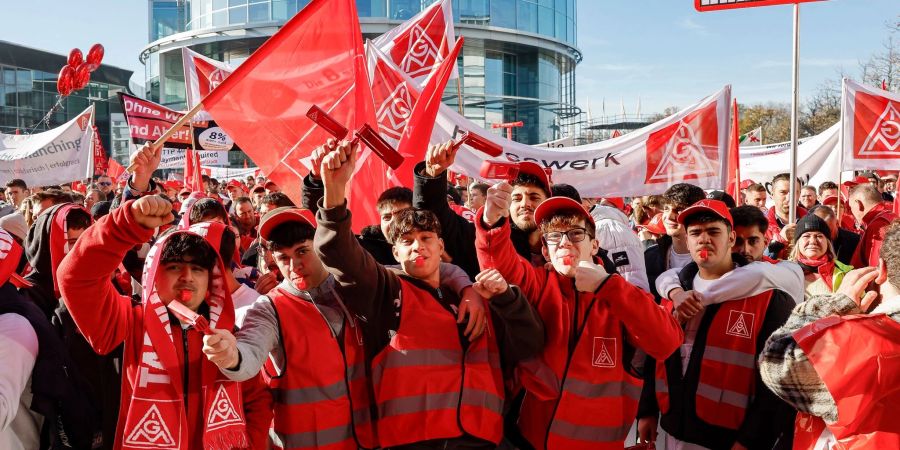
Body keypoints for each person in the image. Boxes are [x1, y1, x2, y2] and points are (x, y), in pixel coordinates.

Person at [314, 140, 545, 449]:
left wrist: (506, 298)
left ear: (440, 246)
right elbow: (338, 252)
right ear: (394, 251)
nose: (417, 246)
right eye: (406, 241)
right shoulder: (386, 290)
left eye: (425, 238)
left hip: (483, 437)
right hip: (413, 439)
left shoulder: (475, 294)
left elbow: (530, 344)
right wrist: (334, 191)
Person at [58, 195, 272, 449]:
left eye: (198, 269)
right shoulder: (126, 321)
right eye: (173, 267)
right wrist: (123, 225)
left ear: (212, 280)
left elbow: (257, 401)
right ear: (154, 276)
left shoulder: (226, 333)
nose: (187, 277)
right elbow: (76, 278)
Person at [476, 190, 682, 449]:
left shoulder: (623, 297)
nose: (564, 243)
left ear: (594, 245)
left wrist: (608, 286)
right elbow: (502, 267)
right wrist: (492, 222)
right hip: (531, 440)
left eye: (575, 234)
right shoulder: (540, 284)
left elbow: (667, 341)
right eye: (554, 236)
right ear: (546, 251)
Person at [637, 199, 797, 449]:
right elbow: (656, 355)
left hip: (729, 440)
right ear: (687, 241)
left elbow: (780, 381)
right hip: (671, 429)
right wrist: (647, 409)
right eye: (695, 233)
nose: (704, 239)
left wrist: (751, 441)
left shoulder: (769, 298)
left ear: (731, 238)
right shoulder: (674, 294)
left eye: (713, 231)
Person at [760, 222, 900, 448]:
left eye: (819, 236)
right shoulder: (784, 270)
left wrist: (834, 306)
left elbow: (776, 363)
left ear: (881, 270)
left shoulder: (858, 337)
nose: (813, 241)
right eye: (806, 236)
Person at [644, 183, 708, 300]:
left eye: (678, 210)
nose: (669, 216)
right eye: (666, 209)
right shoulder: (650, 255)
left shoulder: (711, 258)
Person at [848, 183, 898, 268]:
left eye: (851, 207)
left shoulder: (878, 225)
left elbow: (876, 267)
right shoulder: (892, 214)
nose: (851, 212)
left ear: (858, 204)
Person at [766, 173, 808, 260]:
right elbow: (757, 262)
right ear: (772, 194)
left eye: (794, 192)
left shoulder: (812, 223)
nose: (789, 198)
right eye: (783, 192)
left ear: (799, 194)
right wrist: (779, 240)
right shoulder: (761, 225)